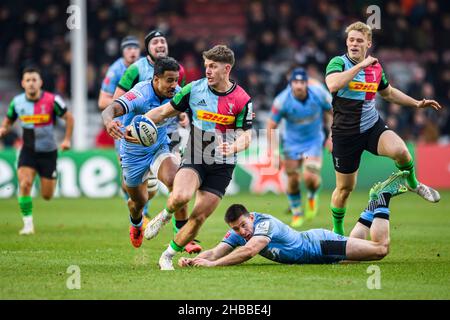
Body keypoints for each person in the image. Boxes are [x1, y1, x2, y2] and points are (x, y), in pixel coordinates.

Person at [139, 45, 254, 270]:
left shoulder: (242, 99)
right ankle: (164, 215)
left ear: (227, 68)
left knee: (198, 218)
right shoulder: (193, 89)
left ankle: (167, 256)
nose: (208, 71)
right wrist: (140, 122)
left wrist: (233, 148)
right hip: (196, 156)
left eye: (213, 66)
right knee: (181, 196)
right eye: (206, 66)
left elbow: (246, 135)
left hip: (223, 166)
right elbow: (163, 112)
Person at [324, 21, 442, 236]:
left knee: (401, 151)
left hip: (371, 126)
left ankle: (413, 183)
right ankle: (338, 234)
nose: (354, 44)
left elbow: (387, 93)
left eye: (359, 40)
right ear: (346, 42)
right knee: (344, 189)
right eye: (351, 40)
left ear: (368, 43)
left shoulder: (376, 68)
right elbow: (333, 85)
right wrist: (360, 65)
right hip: (345, 134)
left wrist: (416, 103)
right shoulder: (338, 63)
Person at [178, 171, 409, 268]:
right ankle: (371, 206)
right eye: (237, 230)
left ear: (251, 217)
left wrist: (214, 265)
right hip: (318, 252)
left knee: (380, 250)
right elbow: (216, 251)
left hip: (320, 245)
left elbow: (248, 252)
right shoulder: (240, 233)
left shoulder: (263, 224)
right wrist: (197, 260)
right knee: (355, 256)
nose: (242, 232)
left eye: (243, 225)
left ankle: (382, 198)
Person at [101, 57, 197, 252]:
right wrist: (109, 122)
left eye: (176, 80)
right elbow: (110, 109)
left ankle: (183, 238)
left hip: (159, 148)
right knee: (139, 201)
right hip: (132, 154)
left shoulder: (177, 94)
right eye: (169, 80)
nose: (174, 85)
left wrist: (185, 117)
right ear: (156, 79)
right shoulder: (139, 94)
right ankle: (136, 224)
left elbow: (193, 112)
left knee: (176, 182)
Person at [0, 67, 74, 235]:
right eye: (28, 80)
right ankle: (27, 224)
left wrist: (67, 139)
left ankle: (51, 177)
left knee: (47, 195)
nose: (31, 83)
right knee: (25, 184)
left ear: (40, 82)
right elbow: (9, 120)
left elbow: (69, 117)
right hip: (28, 150)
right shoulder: (17, 102)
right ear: (23, 83)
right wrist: (3, 129)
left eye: (34, 80)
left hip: (48, 152)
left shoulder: (52, 100)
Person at [267, 67, 332, 228]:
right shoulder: (281, 101)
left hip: (313, 140)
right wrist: (274, 154)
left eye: (302, 82)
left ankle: (312, 195)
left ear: (306, 84)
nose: (299, 86)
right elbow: (271, 126)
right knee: (293, 179)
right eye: (295, 82)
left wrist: (332, 135)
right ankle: (297, 213)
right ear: (290, 84)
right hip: (291, 143)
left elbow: (334, 112)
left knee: (310, 177)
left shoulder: (319, 94)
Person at [97, 35, 146, 214]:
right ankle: (136, 206)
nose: (132, 51)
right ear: (123, 51)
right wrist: (129, 101)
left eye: (135, 48)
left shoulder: (145, 66)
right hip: (122, 126)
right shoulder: (115, 70)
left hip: (144, 124)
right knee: (129, 170)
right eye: (128, 48)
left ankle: (142, 209)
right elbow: (103, 101)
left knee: (146, 170)